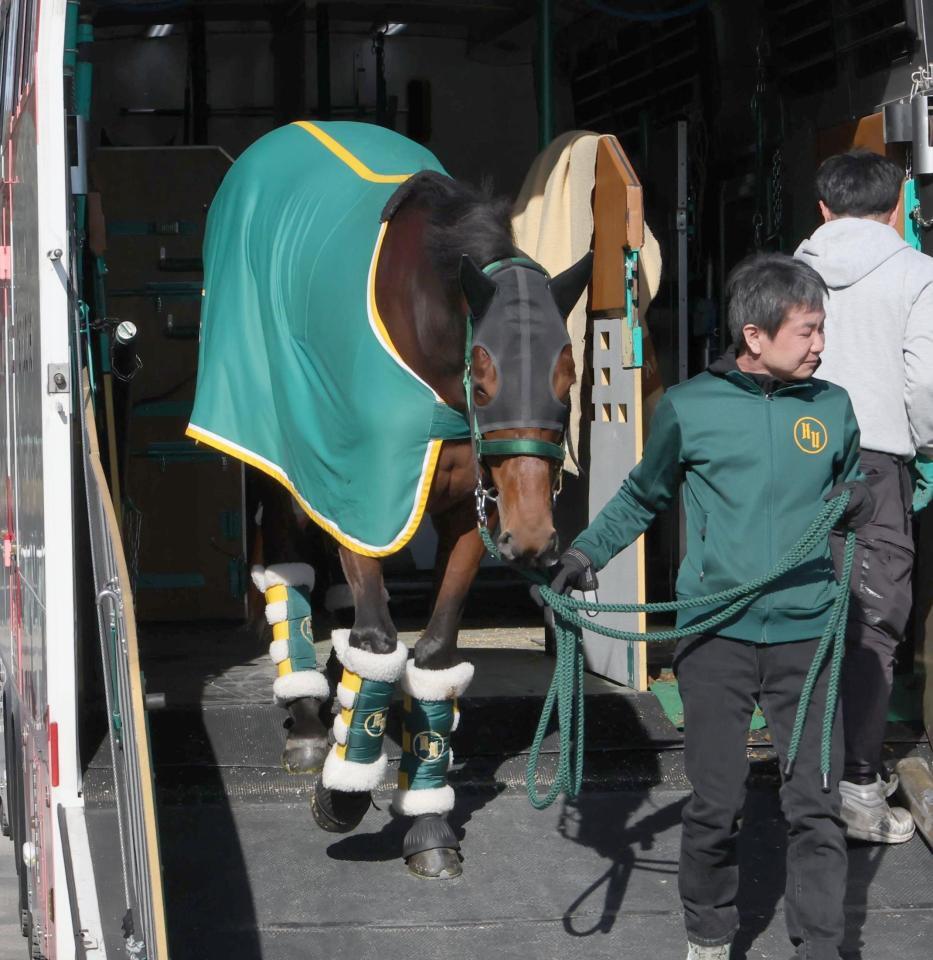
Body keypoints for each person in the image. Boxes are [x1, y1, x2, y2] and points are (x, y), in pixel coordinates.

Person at [548, 253, 872, 960]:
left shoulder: (831, 405)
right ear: (753, 337)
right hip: (715, 637)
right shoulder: (688, 407)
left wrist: (857, 498)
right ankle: (707, 934)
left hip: (807, 633)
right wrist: (584, 554)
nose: (820, 344)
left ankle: (821, 946)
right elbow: (642, 496)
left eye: (821, 330)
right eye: (807, 330)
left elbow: (854, 480)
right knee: (714, 807)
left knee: (815, 808)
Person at [795, 149, 933, 844]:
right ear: (896, 204)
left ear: (821, 208)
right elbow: (925, 384)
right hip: (877, 461)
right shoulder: (916, 273)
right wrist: (924, 445)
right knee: (872, 623)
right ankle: (855, 786)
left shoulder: (787, 274)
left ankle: (804, 780)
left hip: (789, 459)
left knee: (794, 615)